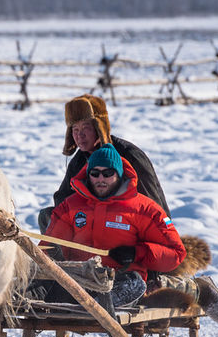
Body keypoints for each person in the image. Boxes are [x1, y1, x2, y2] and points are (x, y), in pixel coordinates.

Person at [40, 143, 185, 308]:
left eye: (107, 173)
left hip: (121, 281)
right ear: (88, 175)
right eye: (95, 173)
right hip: (78, 281)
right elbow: (49, 248)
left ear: (119, 174)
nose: (101, 179)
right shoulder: (70, 206)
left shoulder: (145, 209)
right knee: (43, 284)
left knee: (134, 283)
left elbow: (176, 253)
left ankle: (98, 304)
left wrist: (136, 252)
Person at [38, 94, 170, 234]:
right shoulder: (79, 160)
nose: (79, 135)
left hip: (127, 226)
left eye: (85, 128)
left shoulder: (129, 155)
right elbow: (62, 199)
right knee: (48, 217)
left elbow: (153, 205)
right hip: (94, 225)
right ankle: (60, 256)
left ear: (99, 127)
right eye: (75, 129)